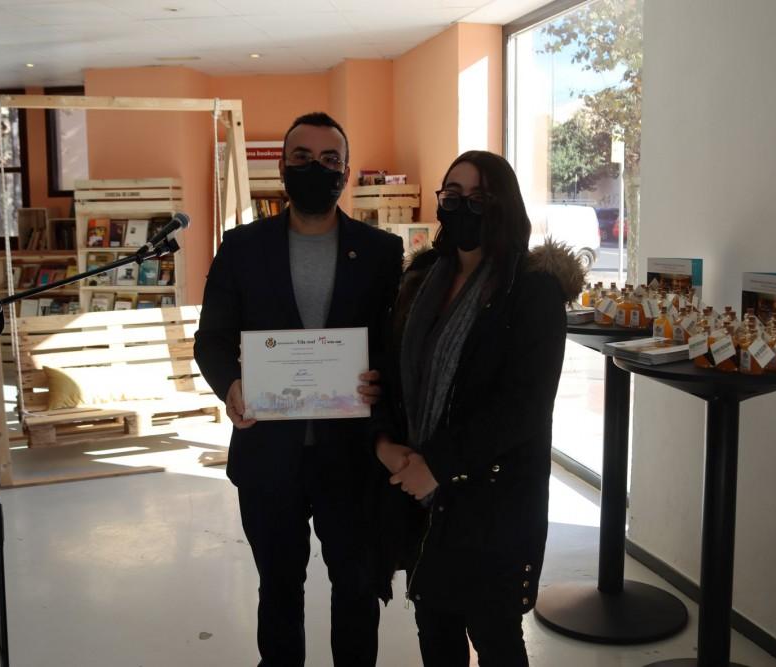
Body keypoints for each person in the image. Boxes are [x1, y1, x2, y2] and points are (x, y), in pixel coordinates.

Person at [194, 112, 403, 667]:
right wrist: (231, 385)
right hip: (268, 454)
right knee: (279, 588)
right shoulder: (241, 247)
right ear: (283, 169)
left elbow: (395, 345)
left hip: (353, 456)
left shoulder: (381, 252)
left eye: (330, 159)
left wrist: (380, 378)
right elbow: (211, 339)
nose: (317, 168)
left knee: (356, 588)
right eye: (303, 158)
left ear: (346, 172)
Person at [372, 150, 585, 666]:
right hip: (421, 494)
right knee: (434, 628)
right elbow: (393, 376)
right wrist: (384, 444)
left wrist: (437, 465)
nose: (463, 206)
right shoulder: (422, 278)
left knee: (495, 637)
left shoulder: (532, 291)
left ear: (504, 206)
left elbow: (524, 407)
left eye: (479, 197)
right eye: (452, 195)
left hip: (491, 500)